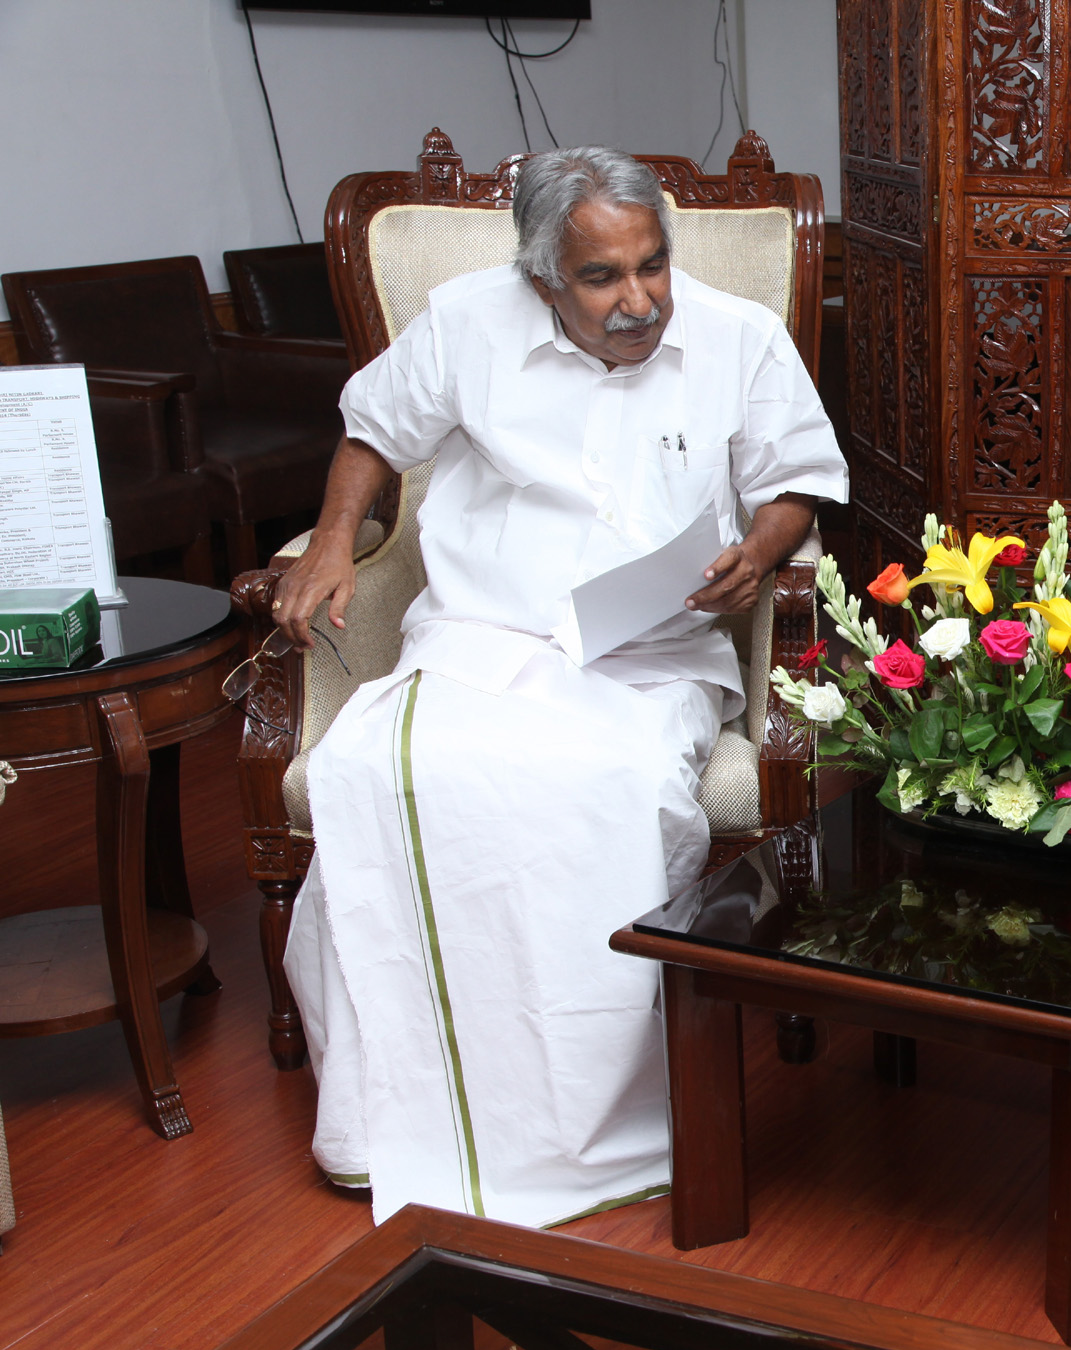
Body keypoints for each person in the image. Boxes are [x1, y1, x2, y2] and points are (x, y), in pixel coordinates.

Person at [268, 146, 847, 1227]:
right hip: (483, 633)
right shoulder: (464, 321)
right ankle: (383, 1115)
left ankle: (592, 1119)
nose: (640, 300)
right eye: (602, 278)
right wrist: (334, 541)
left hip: (649, 652)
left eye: (653, 266)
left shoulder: (737, 336)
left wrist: (758, 555)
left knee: (602, 790)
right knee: (377, 774)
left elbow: (798, 483)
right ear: (541, 280)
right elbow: (371, 433)